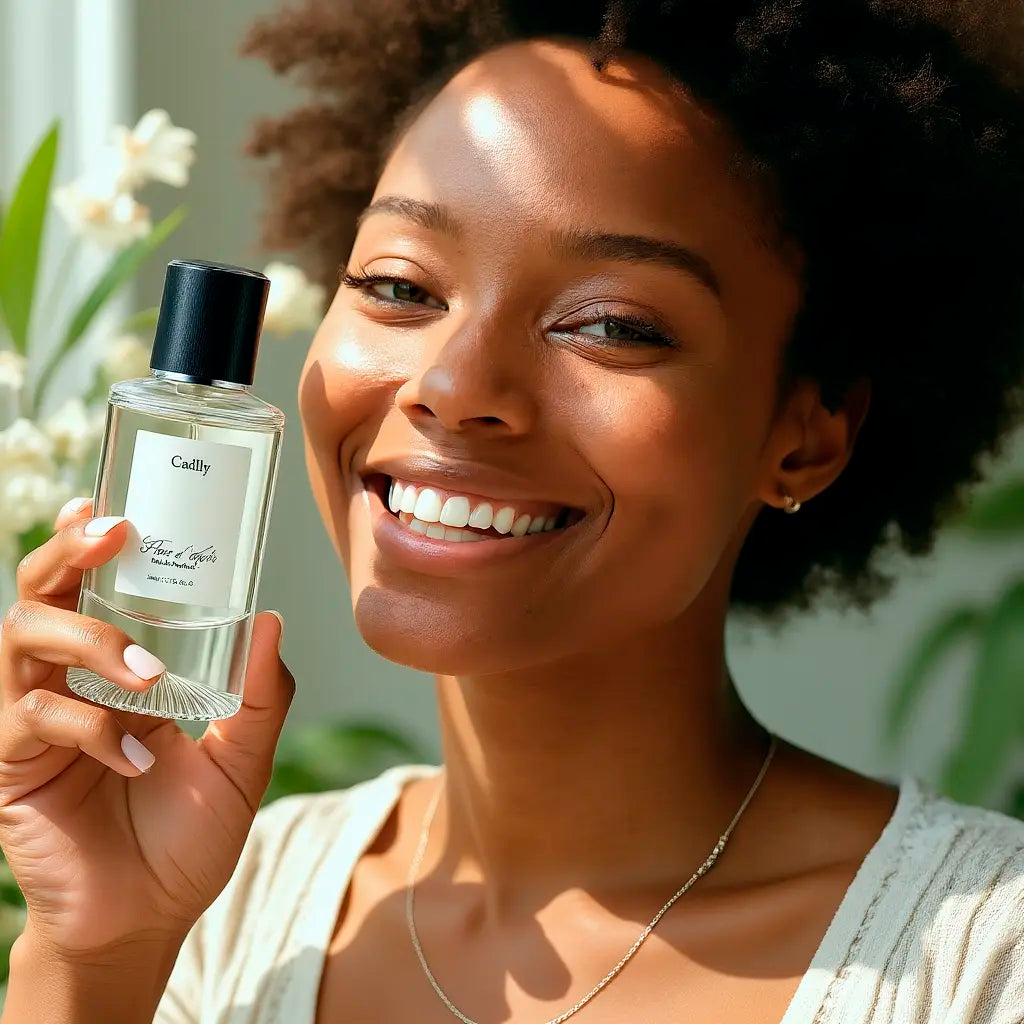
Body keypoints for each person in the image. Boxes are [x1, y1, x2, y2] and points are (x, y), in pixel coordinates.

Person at [2, 2, 1023, 1021]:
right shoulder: (220, 918)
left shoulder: (979, 959)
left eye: (613, 323)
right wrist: (98, 951)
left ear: (803, 437)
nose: (453, 384)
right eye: (399, 286)